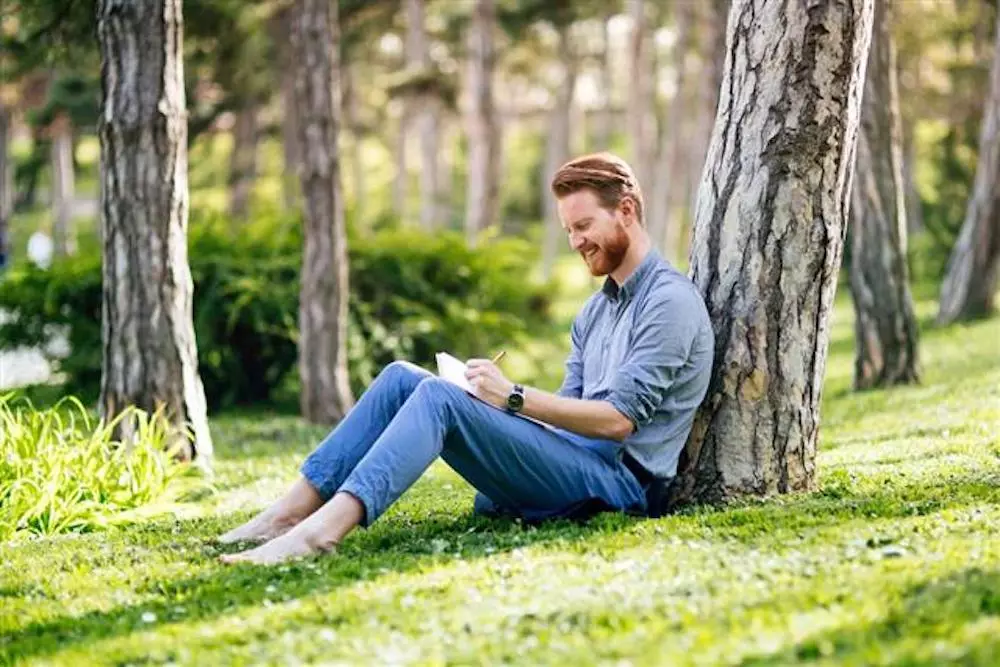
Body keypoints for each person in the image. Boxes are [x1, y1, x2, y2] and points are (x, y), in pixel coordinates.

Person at [218, 152, 715, 564]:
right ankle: (286, 513)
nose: (575, 241)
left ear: (626, 210)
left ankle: (321, 532)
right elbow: (570, 410)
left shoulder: (668, 301)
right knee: (400, 379)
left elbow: (617, 422)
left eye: (583, 225)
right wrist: (493, 404)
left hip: (618, 487)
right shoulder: (594, 312)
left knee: (437, 398)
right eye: (568, 229)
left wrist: (514, 398)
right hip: (573, 463)